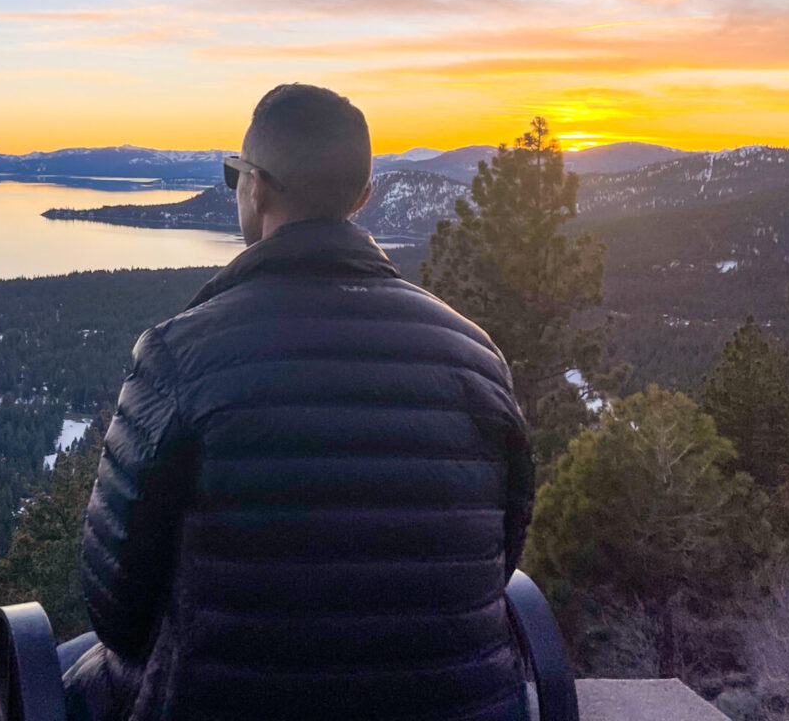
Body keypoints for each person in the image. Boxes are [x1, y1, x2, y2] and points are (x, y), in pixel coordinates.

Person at [61, 83, 534, 721]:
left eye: (234, 175)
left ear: (255, 186)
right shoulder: (479, 357)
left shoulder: (180, 356)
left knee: (69, 667)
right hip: (456, 704)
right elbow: (498, 560)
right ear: (361, 199)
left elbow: (114, 604)